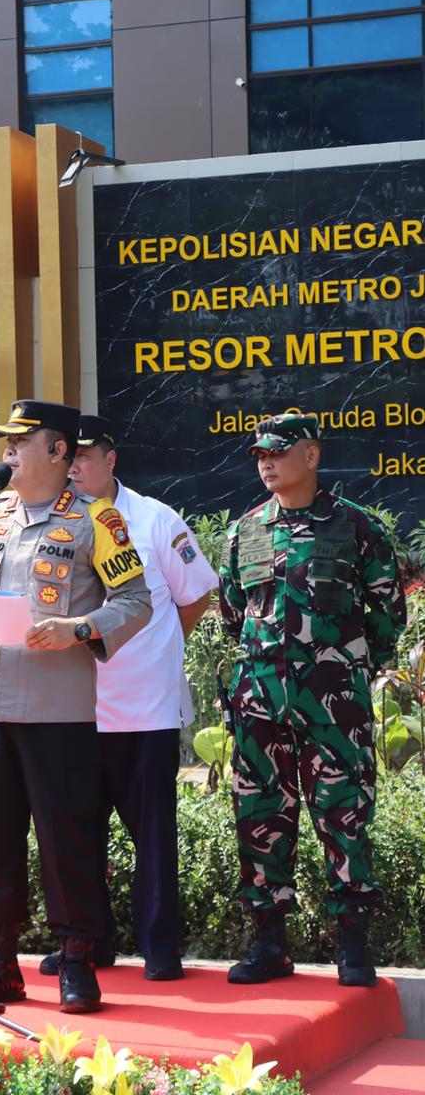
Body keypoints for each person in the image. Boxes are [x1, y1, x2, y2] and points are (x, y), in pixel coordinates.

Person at [0, 399, 152, 1013]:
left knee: (69, 843)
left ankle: (78, 963)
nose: (6, 450)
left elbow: (136, 602)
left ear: (59, 451)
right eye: (5, 440)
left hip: (58, 711)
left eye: (20, 440)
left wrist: (79, 628)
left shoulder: (96, 519)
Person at [219, 413, 406, 988]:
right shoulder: (244, 531)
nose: (267, 463)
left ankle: (352, 944)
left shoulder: (356, 528)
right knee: (259, 820)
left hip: (334, 708)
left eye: (278, 452)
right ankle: (269, 944)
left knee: (343, 818)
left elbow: (387, 615)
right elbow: (233, 613)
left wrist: (340, 667)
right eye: (258, 455)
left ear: (312, 456)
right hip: (259, 708)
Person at [39, 414, 216, 981]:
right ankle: (89, 944)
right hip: (73, 708)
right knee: (77, 832)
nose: (74, 470)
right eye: (67, 461)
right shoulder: (55, 521)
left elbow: (194, 596)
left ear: (111, 460)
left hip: (144, 707)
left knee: (153, 837)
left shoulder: (155, 519)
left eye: (84, 459)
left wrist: (160, 651)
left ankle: (160, 949)